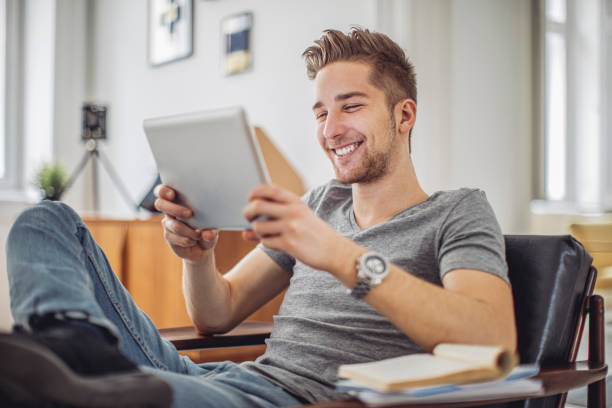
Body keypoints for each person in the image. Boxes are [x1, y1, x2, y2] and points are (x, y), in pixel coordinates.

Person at [0, 27, 517, 408]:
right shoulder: (317, 205)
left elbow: (492, 337)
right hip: (227, 380)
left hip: (294, 402)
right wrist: (198, 257)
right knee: (46, 220)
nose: (331, 129)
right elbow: (215, 314)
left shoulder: (457, 210)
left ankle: (79, 378)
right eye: (320, 112)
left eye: (351, 106)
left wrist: (340, 255)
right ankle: (75, 341)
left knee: (88, 396)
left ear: (404, 115)